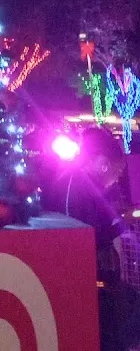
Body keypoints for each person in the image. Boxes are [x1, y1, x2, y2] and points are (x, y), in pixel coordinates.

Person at [58, 127, 140, 350]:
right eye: (117, 171)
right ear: (104, 163)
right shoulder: (78, 186)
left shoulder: (82, 184)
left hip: (96, 282)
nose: (116, 179)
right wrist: (123, 222)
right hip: (88, 284)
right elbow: (86, 235)